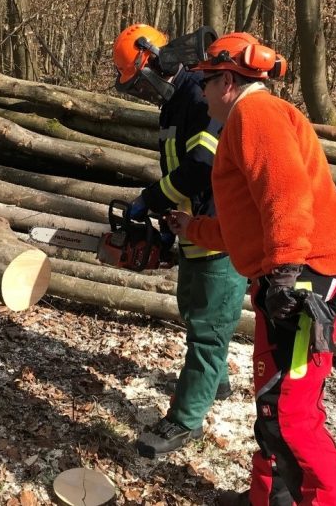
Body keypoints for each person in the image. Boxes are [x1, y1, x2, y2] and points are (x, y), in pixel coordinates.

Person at [165, 32, 336, 505]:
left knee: (291, 414)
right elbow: (247, 224)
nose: (203, 92)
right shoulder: (243, 120)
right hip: (290, 272)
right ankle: (268, 498)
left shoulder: (256, 113)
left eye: (209, 82)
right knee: (274, 402)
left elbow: (286, 195)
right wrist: (191, 227)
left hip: (309, 277)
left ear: (230, 82)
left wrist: (283, 273)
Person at [111, 23, 249, 459]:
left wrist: (149, 199)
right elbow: (181, 171)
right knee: (194, 309)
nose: (142, 93)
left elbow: (200, 168)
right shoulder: (173, 104)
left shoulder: (202, 97)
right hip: (192, 228)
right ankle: (215, 382)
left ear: (152, 63)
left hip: (219, 231)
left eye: (139, 83)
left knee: (209, 326)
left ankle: (185, 420)